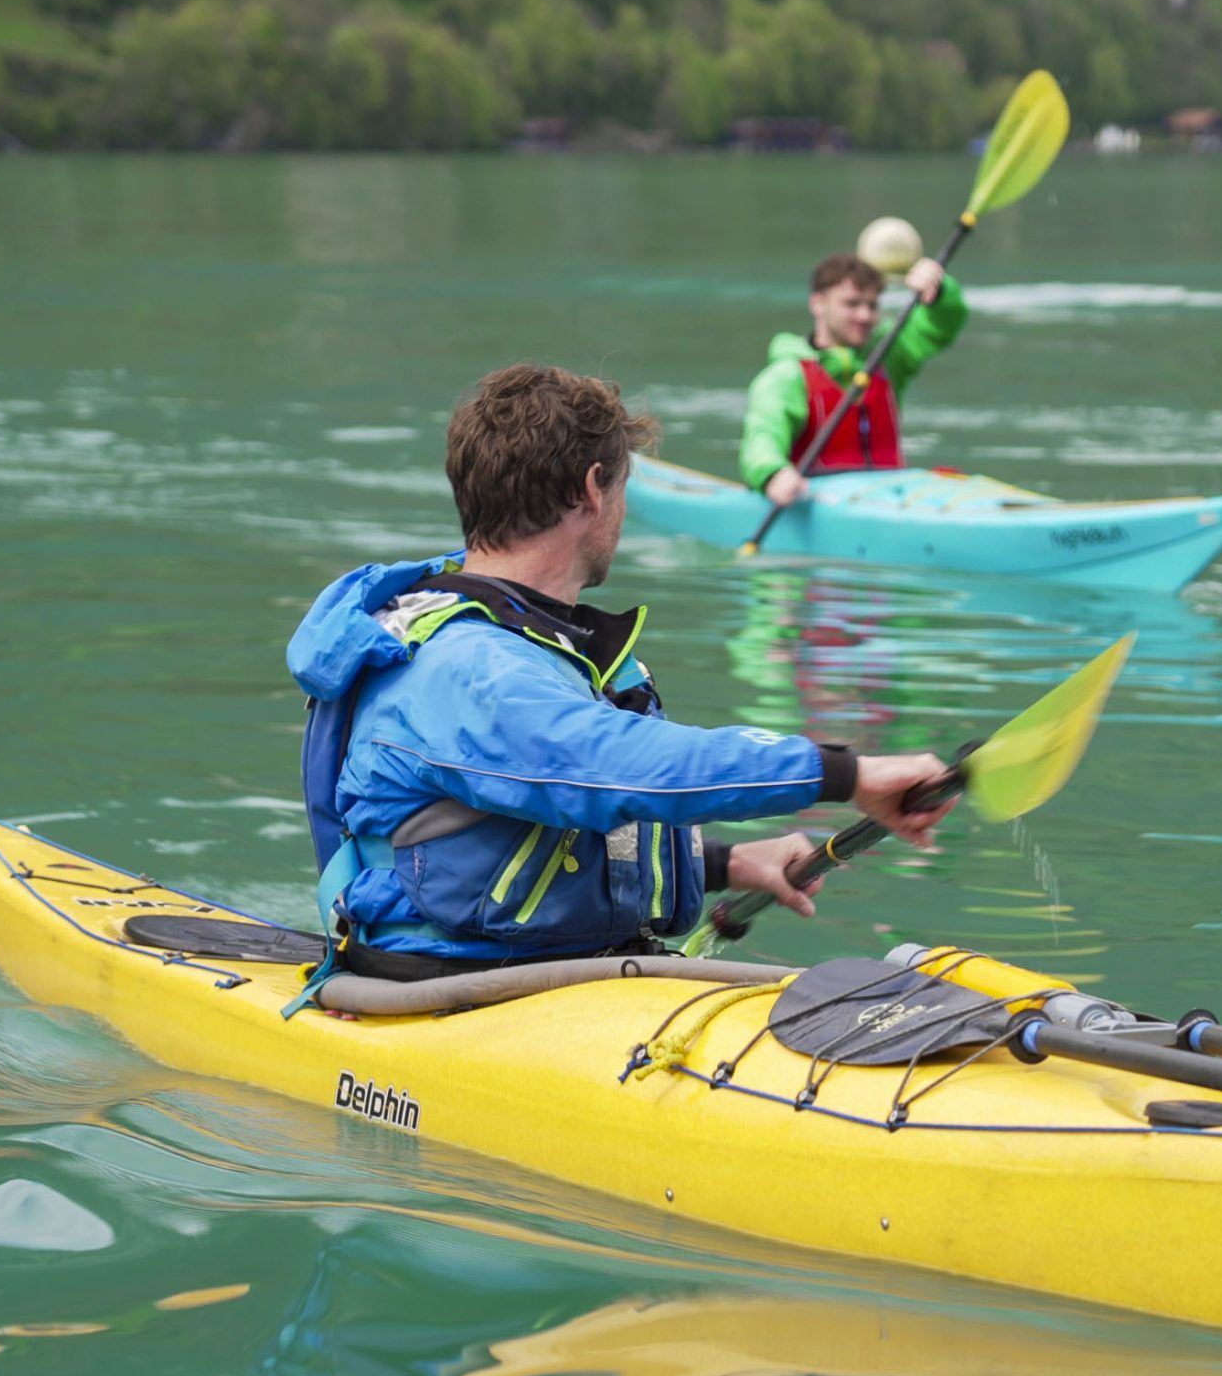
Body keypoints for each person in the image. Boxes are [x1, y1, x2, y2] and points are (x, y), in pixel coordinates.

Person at [288, 363, 955, 977]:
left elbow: (544, 820)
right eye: (623, 485)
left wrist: (726, 864)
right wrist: (847, 773)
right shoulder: (470, 667)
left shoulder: (534, 637)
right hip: (458, 985)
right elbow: (612, 765)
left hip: (557, 970)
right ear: (591, 491)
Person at [739, 251, 969, 506]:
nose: (865, 316)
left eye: (872, 305)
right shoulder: (787, 376)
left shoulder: (888, 355)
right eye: (851, 304)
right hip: (815, 502)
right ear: (818, 304)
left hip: (892, 497)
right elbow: (762, 437)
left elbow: (941, 326)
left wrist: (938, 293)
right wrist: (772, 474)